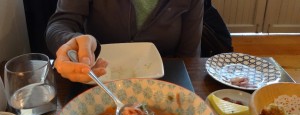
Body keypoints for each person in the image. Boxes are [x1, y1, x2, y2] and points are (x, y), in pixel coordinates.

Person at [45, 0, 204, 83]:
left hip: (164, 83)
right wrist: (71, 42)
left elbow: (188, 57)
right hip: (95, 80)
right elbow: (60, 24)